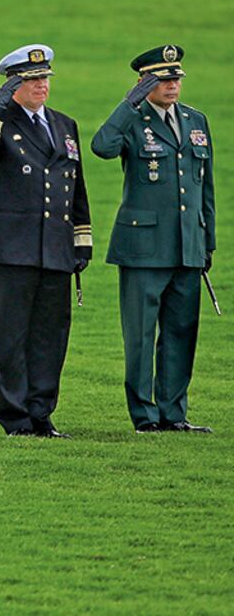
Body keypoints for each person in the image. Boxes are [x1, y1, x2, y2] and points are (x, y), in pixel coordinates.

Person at [91, 45, 215, 434]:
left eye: (176, 78)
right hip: (143, 249)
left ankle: (174, 413)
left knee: (181, 333)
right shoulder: (133, 119)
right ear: (144, 83)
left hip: (186, 246)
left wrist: (206, 240)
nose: (173, 85)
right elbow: (102, 146)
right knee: (141, 337)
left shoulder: (196, 120)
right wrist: (127, 105)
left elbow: (204, 187)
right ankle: (144, 416)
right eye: (163, 79)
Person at [0, 44, 90, 438]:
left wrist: (81, 240)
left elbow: (78, 188)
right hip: (12, 248)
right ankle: (15, 417)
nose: (41, 86)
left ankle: (42, 414)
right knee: (12, 337)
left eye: (44, 79)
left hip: (55, 246)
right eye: (31, 80)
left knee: (51, 336)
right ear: (12, 84)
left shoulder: (64, 123)